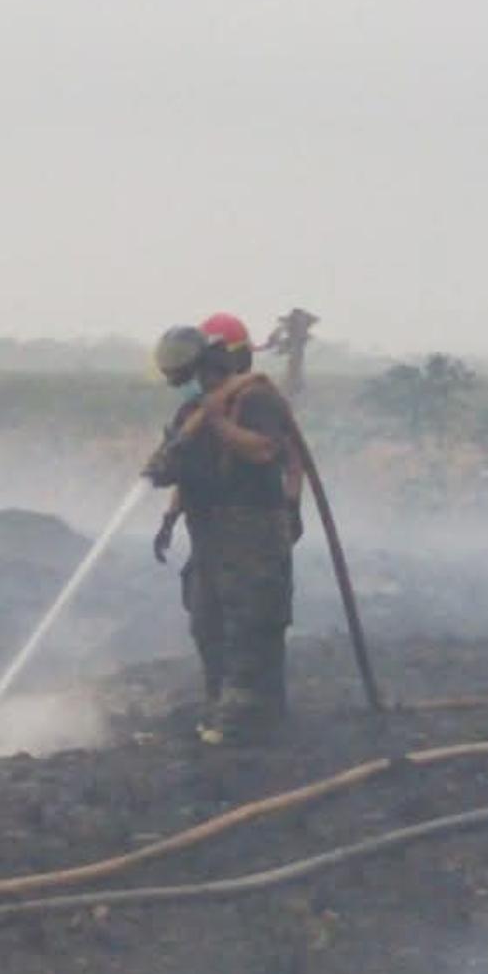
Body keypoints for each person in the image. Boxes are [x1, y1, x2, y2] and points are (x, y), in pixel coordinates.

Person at [143, 312, 302, 745]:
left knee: (251, 622)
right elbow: (186, 468)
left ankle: (248, 719)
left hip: (252, 531)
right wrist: (169, 514)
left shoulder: (256, 402)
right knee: (206, 620)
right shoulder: (190, 411)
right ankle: (221, 707)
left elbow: (263, 451)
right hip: (208, 533)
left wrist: (216, 421)